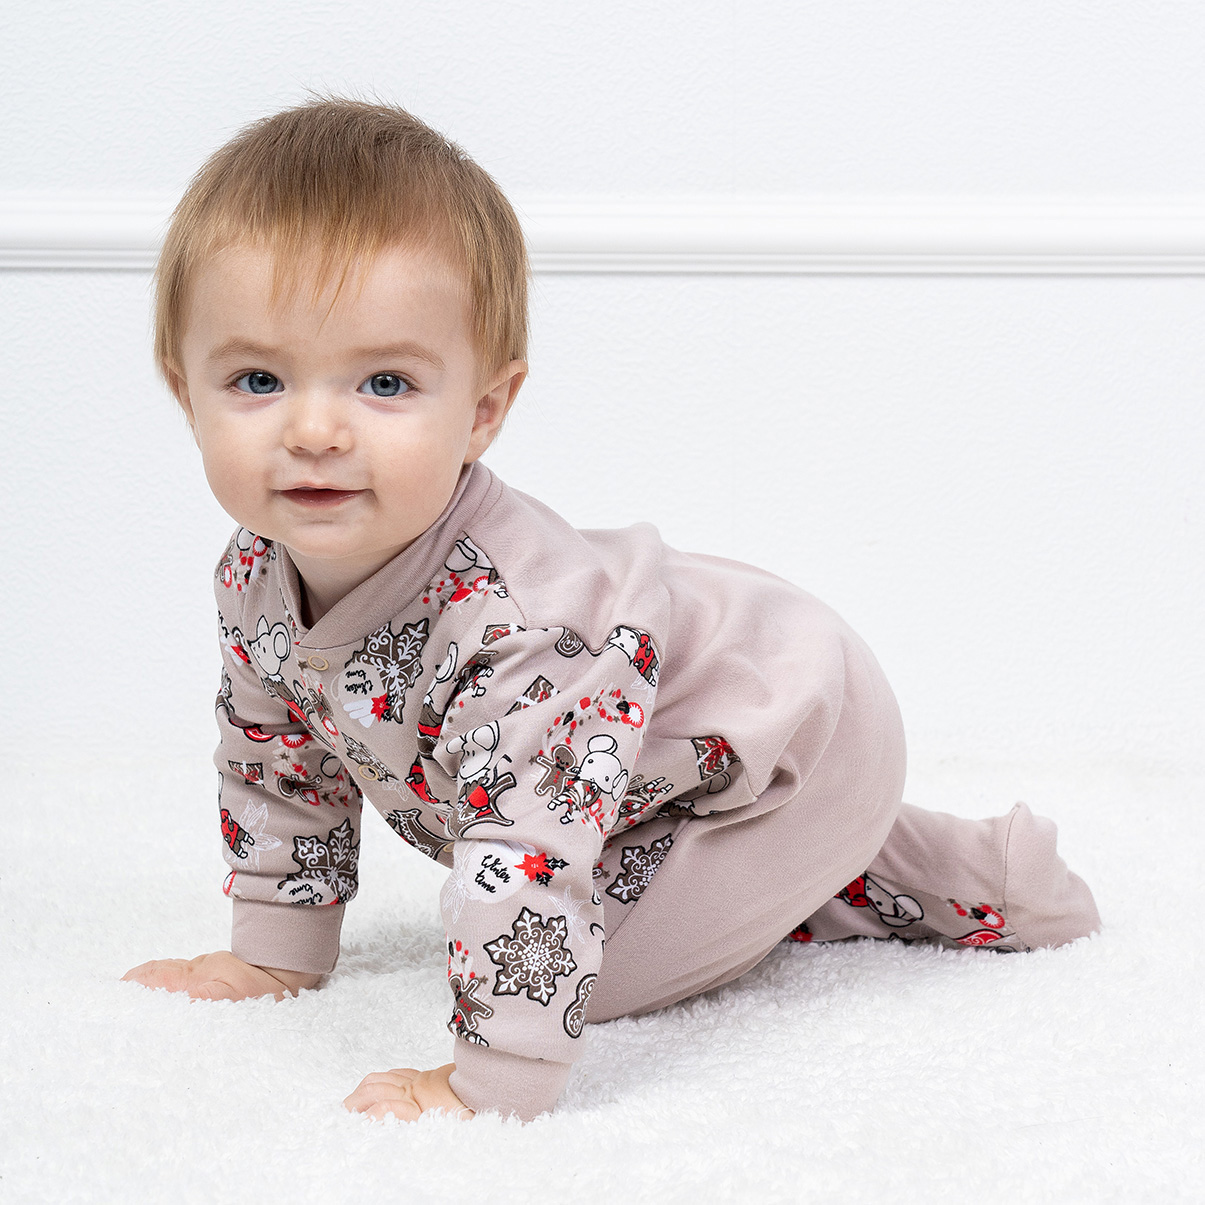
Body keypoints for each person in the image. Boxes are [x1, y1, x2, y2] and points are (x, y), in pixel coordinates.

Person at [122, 96, 1100, 1123]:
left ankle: (945, 868)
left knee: (581, 973)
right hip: (646, 772)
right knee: (560, 911)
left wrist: (491, 1083)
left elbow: (528, 858)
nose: (315, 430)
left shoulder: (520, 629)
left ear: (482, 410)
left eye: (385, 382)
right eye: (259, 378)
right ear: (186, 391)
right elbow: (276, 760)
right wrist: (274, 954)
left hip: (794, 735)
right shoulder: (253, 575)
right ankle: (792, 866)